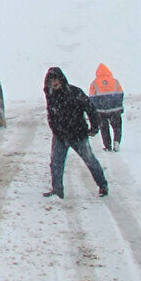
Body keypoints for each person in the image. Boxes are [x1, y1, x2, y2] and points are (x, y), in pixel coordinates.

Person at [42, 66, 108, 198]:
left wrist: (94, 127)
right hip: (60, 136)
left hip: (78, 135)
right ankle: (57, 190)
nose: (54, 83)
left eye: (56, 79)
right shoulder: (50, 94)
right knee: (56, 163)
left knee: (90, 161)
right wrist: (54, 128)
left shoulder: (75, 92)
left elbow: (90, 109)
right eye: (51, 80)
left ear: (61, 79)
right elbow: (51, 114)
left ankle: (103, 185)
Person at [88, 62, 124, 151]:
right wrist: (119, 106)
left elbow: (92, 98)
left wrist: (95, 109)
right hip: (115, 110)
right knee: (117, 127)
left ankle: (107, 146)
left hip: (101, 111)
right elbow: (120, 94)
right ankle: (117, 141)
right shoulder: (115, 81)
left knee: (104, 129)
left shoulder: (94, 83)